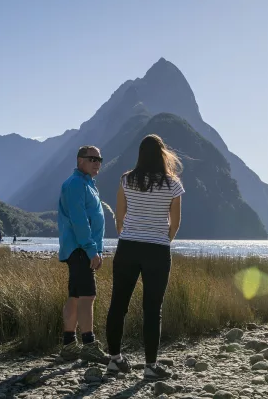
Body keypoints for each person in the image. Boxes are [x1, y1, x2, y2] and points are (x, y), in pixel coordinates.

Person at [105, 134, 185, 380]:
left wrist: (128, 236)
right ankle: (150, 367)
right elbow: (176, 223)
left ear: (140, 154)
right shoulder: (172, 184)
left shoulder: (126, 180)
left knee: (119, 304)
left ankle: (114, 361)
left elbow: (120, 217)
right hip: (157, 251)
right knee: (153, 309)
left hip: (127, 247)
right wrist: (162, 240)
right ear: (162, 154)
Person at [58, 145, 107, 363]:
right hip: (80, 249)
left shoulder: (86, 184)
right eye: (92, 159)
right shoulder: (77, 184)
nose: (97, 163)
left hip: (79, 248)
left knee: (76, 297)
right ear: (80, 161)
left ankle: (69, 345)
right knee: (88, 296)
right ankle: (89, 345)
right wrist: (91, 250)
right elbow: (79, 221)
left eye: (99, 159)